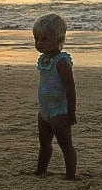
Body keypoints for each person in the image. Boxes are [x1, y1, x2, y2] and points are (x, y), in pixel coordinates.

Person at [33, 13, 77, 180]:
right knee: (44, 144)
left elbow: (70, 87)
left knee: (65, 144)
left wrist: (71, 111)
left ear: (59, 38)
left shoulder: (61, 62)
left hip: (60, 110)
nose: (39, 43)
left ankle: (70, 176)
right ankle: (40, 170)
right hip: (44, 111)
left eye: (44, 39)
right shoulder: (43, 59)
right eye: (36, 38)